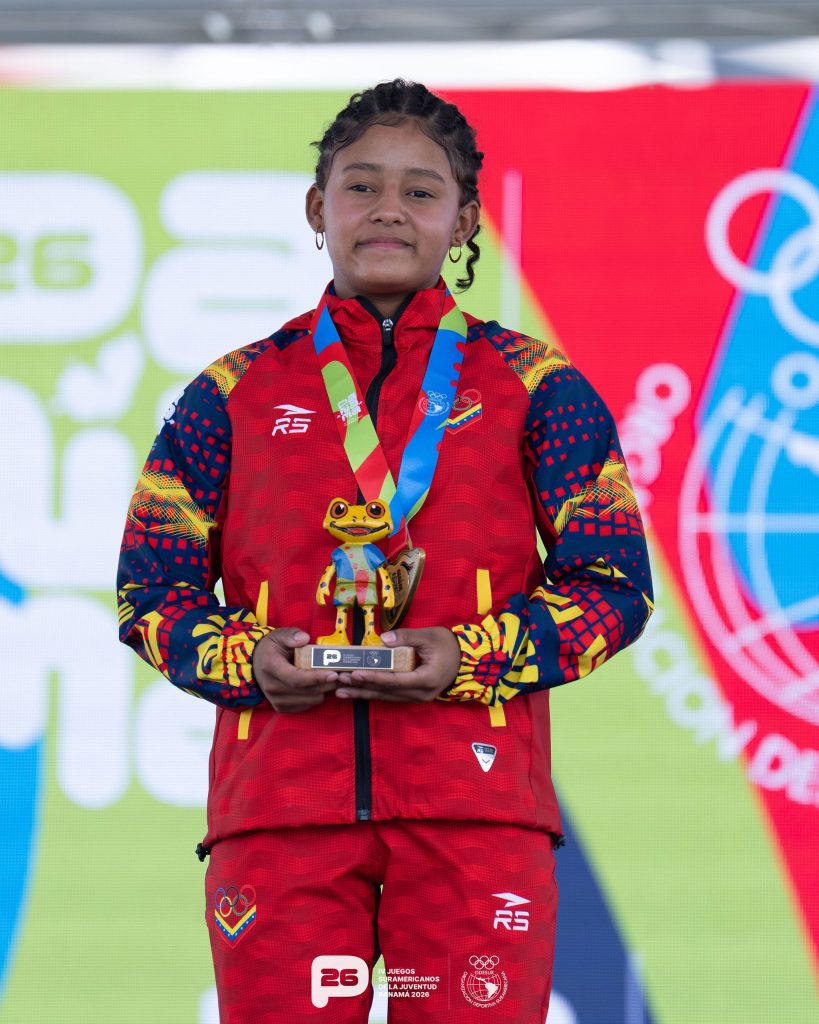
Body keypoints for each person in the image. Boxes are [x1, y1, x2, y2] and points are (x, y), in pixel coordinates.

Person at [117, 79, 653, 1023]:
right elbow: (149, 590)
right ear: (317, 208)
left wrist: (471, 656)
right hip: (281, 813)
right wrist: (249, 659)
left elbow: (614, 586)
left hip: (474, 815)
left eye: (420, 191)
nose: (388, 210)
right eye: (361, 186)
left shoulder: (538, 385)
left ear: (464, 219)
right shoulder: (229, 392)